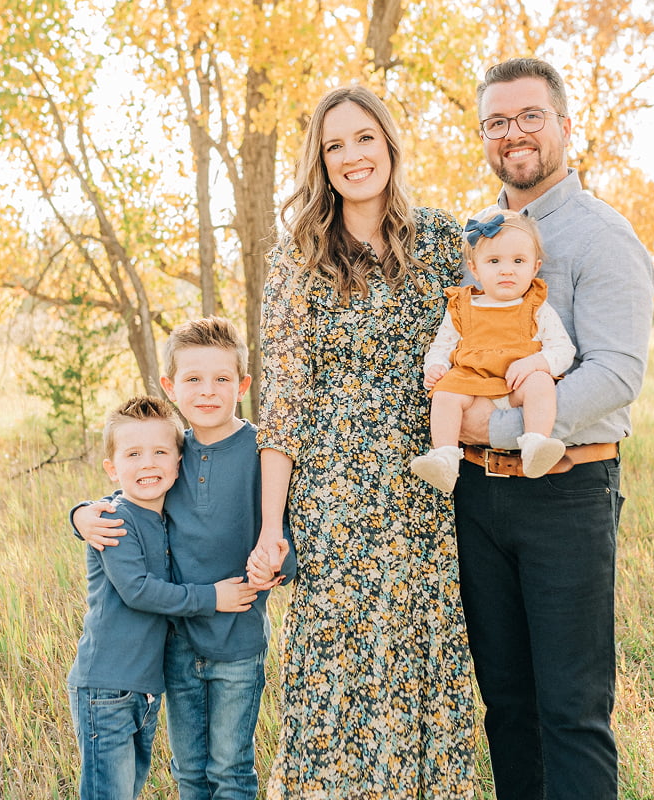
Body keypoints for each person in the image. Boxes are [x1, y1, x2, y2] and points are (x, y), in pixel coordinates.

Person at [248, 85, 476, 798]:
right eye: (333, 145)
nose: (351, 156)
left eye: (364, 138)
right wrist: (270, 526)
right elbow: (282, 404)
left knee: (425, 670)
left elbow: (490, 335)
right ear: (320, 162)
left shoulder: (443, 241)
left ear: (389, 144)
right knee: (335, 682)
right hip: (337, 504)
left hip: (425, 497)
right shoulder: (296, 261)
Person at [454, 58, 654, 800]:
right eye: (497, 122)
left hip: (567, 495)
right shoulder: (477, 237)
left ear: (565, 126)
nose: (515, 134)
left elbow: (616, 374)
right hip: (478, 499)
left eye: (530, 116)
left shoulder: (604, 238)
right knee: (506, 706)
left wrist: (501, 423)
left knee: (571, 710)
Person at [71, 318, 296, 800]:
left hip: (238, 643)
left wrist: (276, 563)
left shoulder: (263, 452)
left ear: (243, 385)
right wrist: (81, 514)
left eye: (222, 379)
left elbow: (285, 535)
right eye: (193, 379)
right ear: (170, 387)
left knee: (230, 770)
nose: (208, 391)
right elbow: (130, 492)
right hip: (176, 646)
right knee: (189, 772)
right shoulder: (173, 450)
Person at [67, 394, 259, 800]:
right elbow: (137, 590)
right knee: (110, 791)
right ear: (112, 469)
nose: (148, 463)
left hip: (142, 687)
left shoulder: (163, 515)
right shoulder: (114, 520)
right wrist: (212, 599)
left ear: (178, 462)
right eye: (133, 454)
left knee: (129, 785)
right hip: (106, 684)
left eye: (159, 452)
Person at [409, 209, 575, 493]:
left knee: (541, 382)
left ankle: (535, 443)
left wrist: (536, 362)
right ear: (475, 269)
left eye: (518, 261)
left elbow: (562, 349)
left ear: (534, 268)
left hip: (515, 385)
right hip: (471, 387)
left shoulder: (536, 306)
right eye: (494, 261)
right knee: (445, 394)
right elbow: (443, 345)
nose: (507, 270)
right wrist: (434, 366)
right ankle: (446, 458)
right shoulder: (462, 306)